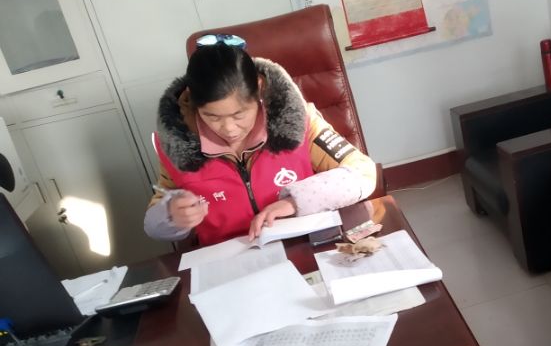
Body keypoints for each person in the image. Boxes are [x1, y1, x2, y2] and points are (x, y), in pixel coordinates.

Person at [144, 36, 377, 245]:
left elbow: (364, 173)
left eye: (239, 114)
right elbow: (154, 222)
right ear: (192, 103)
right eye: (212, 117)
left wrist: (294, 202)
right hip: (230, 260)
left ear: (258, 88)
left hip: (303, 245)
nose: (229, 129)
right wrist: (171, 216)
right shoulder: (177, 145)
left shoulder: (298, 122)